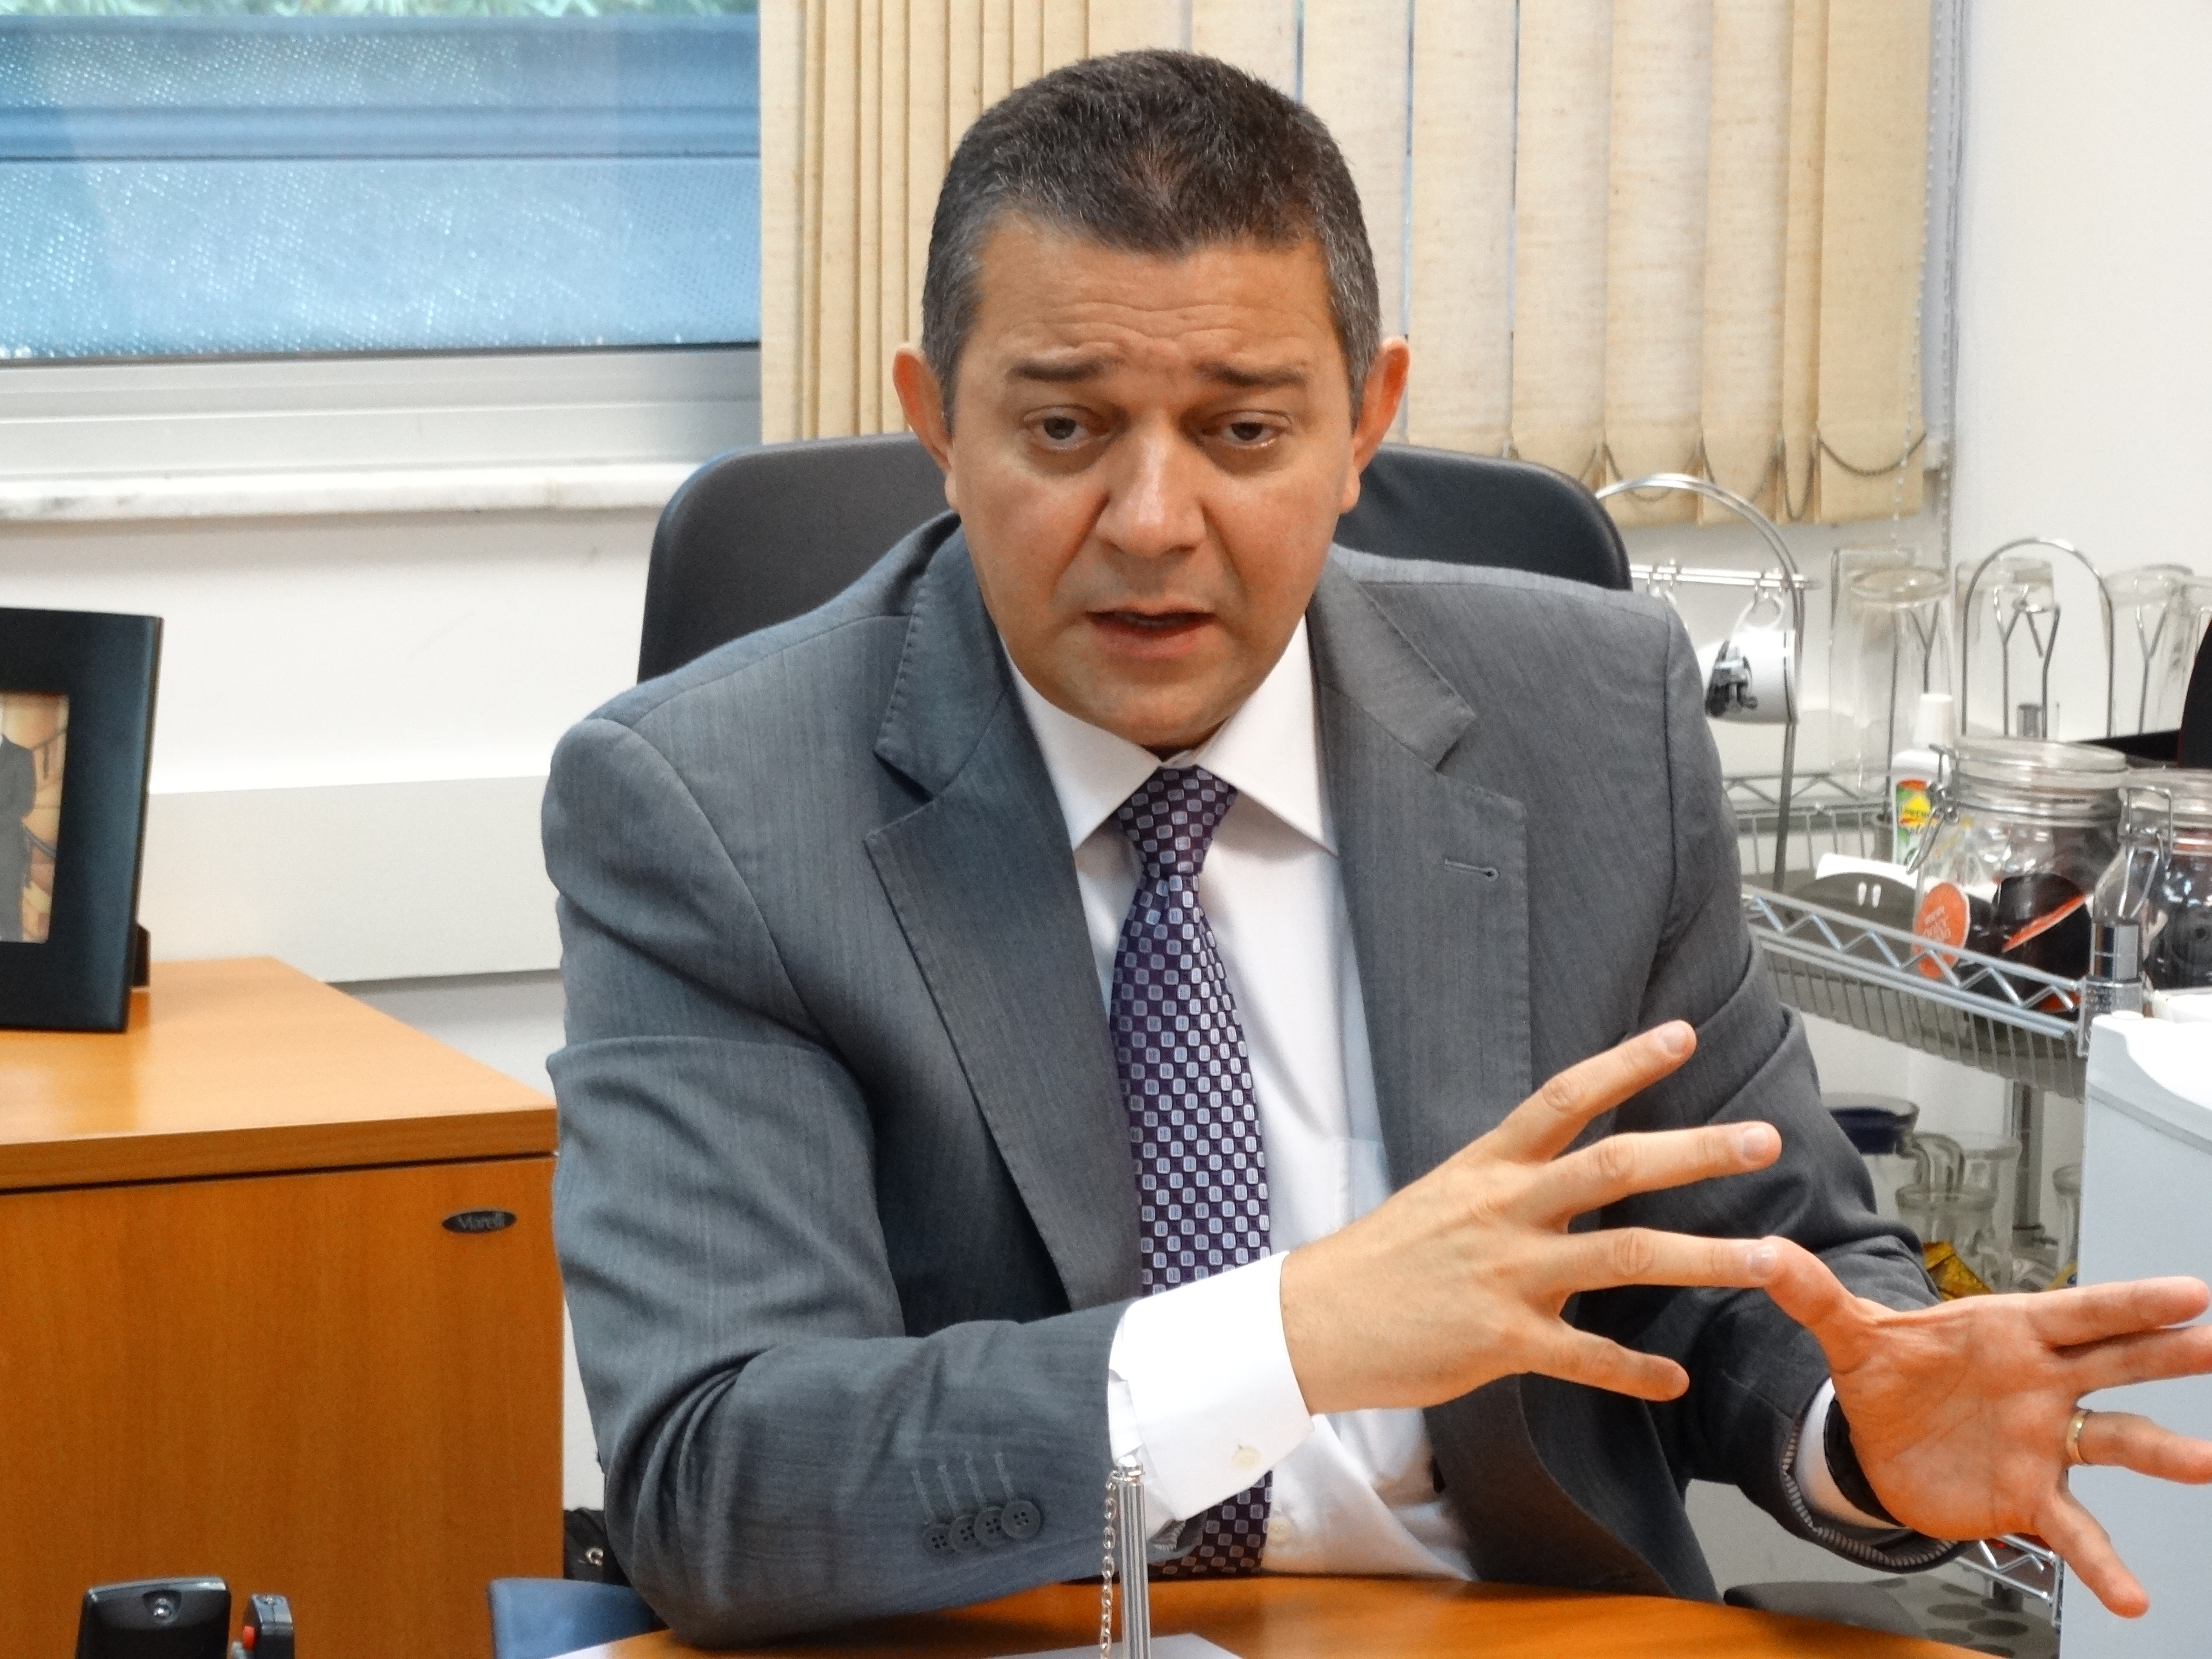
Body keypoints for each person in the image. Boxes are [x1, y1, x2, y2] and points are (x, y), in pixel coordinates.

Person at [545, 50, 2212, 1646]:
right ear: (935, 417)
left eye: (1243, 433)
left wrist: (1858, 1434)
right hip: (1003, 1639)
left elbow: (1752, 1268)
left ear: (1365, 421)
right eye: (1063, 430)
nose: (1151, 521)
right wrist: (1288, 1337)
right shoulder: (708, 805)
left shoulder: (1595, 721)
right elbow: (719, 1477)